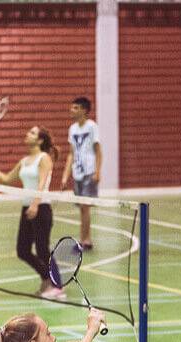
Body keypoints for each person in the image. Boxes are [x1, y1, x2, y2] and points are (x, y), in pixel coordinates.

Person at [0, 126, 60, 299]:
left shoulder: (44, 158)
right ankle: (46, 277)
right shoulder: (25, 161)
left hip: (41, 206)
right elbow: (6, 179)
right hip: (27, 206)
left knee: (42, 249)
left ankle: (57, 286)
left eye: (32, 133)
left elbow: (42, 183)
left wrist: (35, 203)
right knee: (22, 250)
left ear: (40, 140)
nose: (27, 134)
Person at [59, 96, 102, 251]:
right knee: (82, 208)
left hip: (89, 172)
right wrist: (65, 175)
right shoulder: (72, 129)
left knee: (85, 206)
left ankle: (86, 240)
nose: (72, 110)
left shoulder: (92, 127)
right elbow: (71, 154)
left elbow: (98, 151)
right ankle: (84, 239)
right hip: (77, 172)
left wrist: (97, 172)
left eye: (75, 108)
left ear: (84, 110)